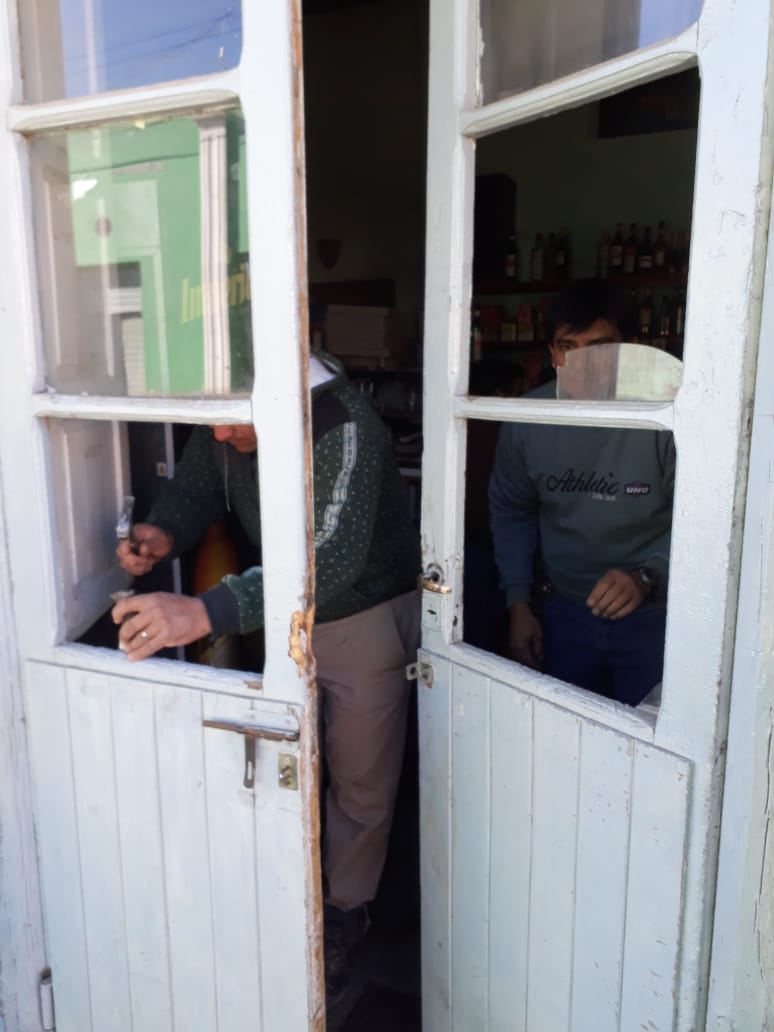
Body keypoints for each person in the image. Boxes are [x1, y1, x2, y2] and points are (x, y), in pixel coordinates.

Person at [112, 349, 421, 1019]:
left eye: (236, 421)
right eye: (216, 421)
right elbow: (197, 487)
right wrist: (163, 532)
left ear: (287, 390)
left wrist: (206, 611)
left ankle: (345, 914)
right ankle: (285, 889)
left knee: (362, 777)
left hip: (363, 610)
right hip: (277, 607)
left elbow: (330, 558)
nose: (223, 435)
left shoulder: (346, 424)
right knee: (282, 757)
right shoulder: (230, 421)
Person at [488, 279, 675, 706]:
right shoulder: (528, 420)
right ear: (552, 354)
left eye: (599, 347)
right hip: (564, 609)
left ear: (629, 349)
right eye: (568, 347)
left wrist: (648, 575)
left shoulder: (666, 418)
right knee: (562, 730)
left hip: (656, 615)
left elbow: (704, 519)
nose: (582, 363)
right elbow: (511, 512)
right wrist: (518, 604)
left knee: (650, 735)